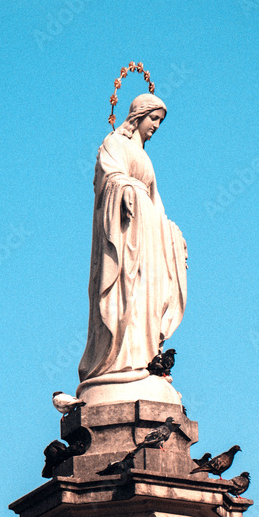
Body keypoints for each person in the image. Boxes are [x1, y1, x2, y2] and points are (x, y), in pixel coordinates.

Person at [78, 94, 187, 391]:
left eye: (160, 121)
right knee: (125, 295)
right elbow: (108, 176)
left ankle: (145, 359)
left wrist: (171, 233)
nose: (157, 126)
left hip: (148, 231)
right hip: (125, 229)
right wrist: (123, 188)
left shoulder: (147, 159)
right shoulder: (115, 142)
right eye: (154, 118)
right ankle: (119, 363)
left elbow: (156, 203)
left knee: (147, 296)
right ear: (138, 115)